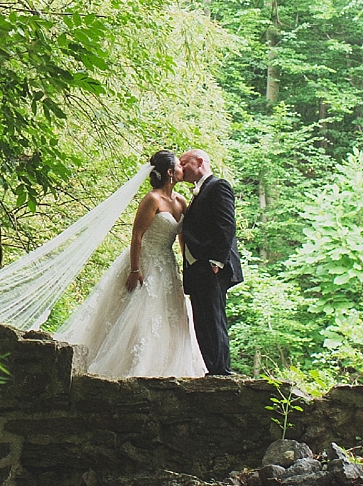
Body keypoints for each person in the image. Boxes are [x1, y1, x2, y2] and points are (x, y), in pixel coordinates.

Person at [56, 151, 205, 378]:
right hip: (145, 260)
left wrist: (189, 263)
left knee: (170, 314)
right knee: (139, 313)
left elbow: (183, 235)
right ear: (169, 172)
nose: (182, 168)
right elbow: (137, 235)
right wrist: (135, 269)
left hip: (168, 263)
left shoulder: (181, 201)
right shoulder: (152, 199)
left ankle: (164, 368)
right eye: (179, 165)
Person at [177, 149, 242, 375]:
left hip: (211, 266)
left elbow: (226, 225)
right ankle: (212, 369)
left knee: (213, 318)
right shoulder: (199, 191)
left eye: (185, 163)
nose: (181, 167)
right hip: (197, 268)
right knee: (202, 320)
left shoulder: (219, 186)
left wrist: (216, 261)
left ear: (200, 162)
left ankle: (221, 371)